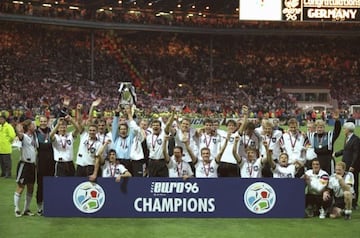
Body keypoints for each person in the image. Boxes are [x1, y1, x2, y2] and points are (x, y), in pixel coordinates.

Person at [14, 119, 37, 217]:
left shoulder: (34, 136)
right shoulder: (24, 136)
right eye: (33, 124)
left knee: (31, 187)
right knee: (21, 186)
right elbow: (19, 134)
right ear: (28, 127)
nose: (35, 125)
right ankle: (16, 208)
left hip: (32, 165)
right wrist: (18, 128)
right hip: (24, 164)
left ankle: (26, 209)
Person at [333, 122, 360, 210]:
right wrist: (336, 154)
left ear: (348, 130)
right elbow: (346, 150)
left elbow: (357, 154)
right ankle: (345, 200)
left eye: (344, 128)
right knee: (345, 182)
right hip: (345, 164)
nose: (344, 130)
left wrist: (353, 165)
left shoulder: (356, 140)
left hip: (352, 166)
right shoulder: (347, 138)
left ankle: (354, 203)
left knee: (354, 183)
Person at [307, 110, 341, 175]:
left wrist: (337, 121)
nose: (320, 129)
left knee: (330, 179)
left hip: (328, 162)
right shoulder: (312, 136)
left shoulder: (329, 135)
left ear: (324, 127)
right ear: (315, 128)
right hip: (318, 162)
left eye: (321, 127)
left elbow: (337, 131)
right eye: (318, 127)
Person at [34, 116, 55, 216]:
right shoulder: (35, 132)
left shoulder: (51, 130)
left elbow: (60, 119)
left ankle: (49, 206)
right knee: (40, 186)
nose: (43, 123)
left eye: (44, 121)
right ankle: (39, 208)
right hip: (41, 163)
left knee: (50, 185)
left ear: (47, 122)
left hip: (51, 162)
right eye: (41, 121)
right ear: (39, 122)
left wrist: (64, 106)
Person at [146, 109, 174, 177]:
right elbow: (148, 149)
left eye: (157, 125)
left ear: (160, 127)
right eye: (154, 125)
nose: (155, 126)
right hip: (152, 162)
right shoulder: (148, 137)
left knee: (163, 181)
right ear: (151, 127)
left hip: (162, 162)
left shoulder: (164, 134)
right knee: (151, 181)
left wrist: (173, 113)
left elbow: (168, 124)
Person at [0, 113, 16, 178]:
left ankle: (8, 173)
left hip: (6, 147)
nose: (0, 120)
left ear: (4, 119)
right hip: (0, 147)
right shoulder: (0, 126)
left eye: (1, 119)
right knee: (2, 162)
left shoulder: (8, 126)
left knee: (7, 161)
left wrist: (8, 141)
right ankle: (3, 173)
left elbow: (12, 135)